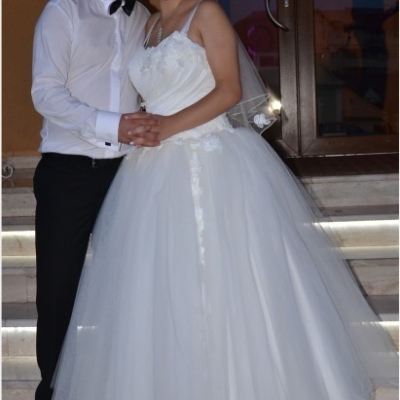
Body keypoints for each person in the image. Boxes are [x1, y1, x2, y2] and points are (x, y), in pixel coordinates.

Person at [51, 0, 398, 399]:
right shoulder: (148, 23)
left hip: (209, 161)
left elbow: (229, 89)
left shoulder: (206, 12)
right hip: (150, 170)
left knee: (219, 279)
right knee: (157, 289)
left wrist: (167, 126)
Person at [31, 1, 161, 399]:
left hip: (128, 172)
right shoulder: (63, 11)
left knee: (129, 286)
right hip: (67, 173)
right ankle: (54, 390)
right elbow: (45, 93)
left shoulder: (144, 18)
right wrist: (112, 125)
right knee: (58, 291)